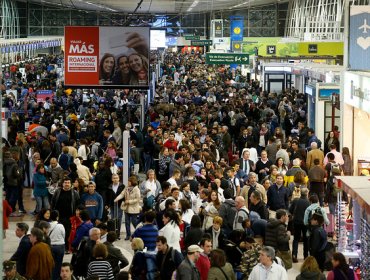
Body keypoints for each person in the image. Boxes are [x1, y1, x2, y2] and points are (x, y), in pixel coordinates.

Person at [51, 177, 80, 251]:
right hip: (59, 217)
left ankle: (67, 247)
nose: (67, 184)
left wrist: (76, 214)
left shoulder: (75, 193)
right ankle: (61, 246)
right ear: (62, 184)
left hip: (70, 217)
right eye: (65, 182)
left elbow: (78, 204)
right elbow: (53, 202)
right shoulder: (57, 192)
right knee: (59, 232)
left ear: (71, 184)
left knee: (68, 233)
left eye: (68, 183)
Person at [114, 176, 141, 240]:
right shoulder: (126, 188)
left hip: (134, 209)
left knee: (134, 222)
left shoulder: (137, 189)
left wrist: (129, 201)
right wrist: (116, 199)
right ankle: (128, 235)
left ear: (132, 182)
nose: (128, 183)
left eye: (129, 181)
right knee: (127, 222)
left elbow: (137, 199)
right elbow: (122, 194)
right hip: (126, 209)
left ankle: (139, 233)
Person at [289, 188, 310, 263]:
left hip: (296, 222)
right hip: (305, 223)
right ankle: (305, 256)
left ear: (301, 193)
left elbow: (290, 210)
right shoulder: (308, 202)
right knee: (306, 239)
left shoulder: (295, 200)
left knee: (296, 239)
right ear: (307, 193)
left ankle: (294, 255)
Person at [49, 210, 66, 280]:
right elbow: (64, 235)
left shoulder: (48, 225)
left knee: (51, 264)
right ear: (57, 217)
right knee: (59, 264)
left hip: (51, 246)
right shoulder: (60, 225)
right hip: (60, 246)